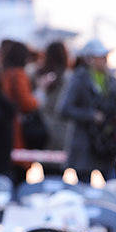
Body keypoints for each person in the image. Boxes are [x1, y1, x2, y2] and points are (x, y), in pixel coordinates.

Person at [59, 39, 116, 183]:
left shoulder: (111, 80)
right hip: (85, 147)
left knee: (113, 190)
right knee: (85, 192)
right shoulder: (79, 79)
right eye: (100, 57)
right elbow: (64, 109)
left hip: (106, 147)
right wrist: (91, 116)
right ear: (89, 59)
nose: (104, 61)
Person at [0, 40, 49, 183]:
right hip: (18, 135)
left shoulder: (6, 74)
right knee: (18, 177)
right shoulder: (18, 75)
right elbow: (28, 103)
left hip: (10, 134)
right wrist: (41, 91)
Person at [35, 41, 71, 173]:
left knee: (48, 173)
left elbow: (38, 104)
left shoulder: (41, 77)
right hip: (61, 134)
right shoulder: (68, 78)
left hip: (44, 131)